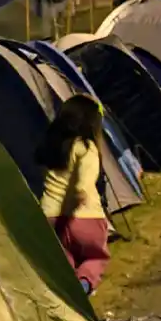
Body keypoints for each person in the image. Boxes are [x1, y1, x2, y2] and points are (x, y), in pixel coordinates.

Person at [36, 95, 112, 296]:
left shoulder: (53, 146)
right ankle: (83, 287)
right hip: (84, 217)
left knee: (65, 261)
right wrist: (76, 202)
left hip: (50, 217)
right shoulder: (87, 147)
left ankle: (68, 293)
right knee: (95, 257)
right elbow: (82, 186)